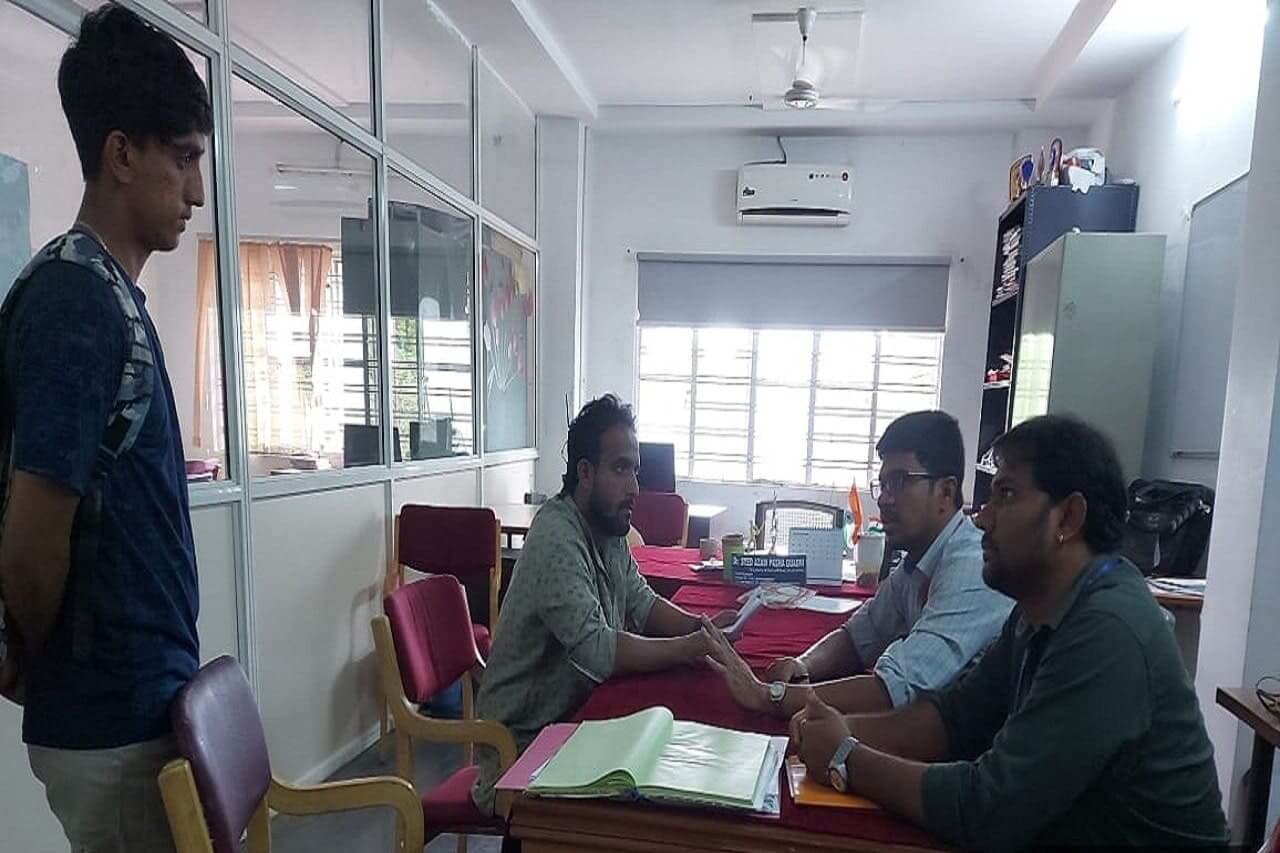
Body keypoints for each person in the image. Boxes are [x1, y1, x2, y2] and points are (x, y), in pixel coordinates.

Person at [774, 415, 1229, 851]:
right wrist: (840, 730)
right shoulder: (1041, 607)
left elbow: (987, 809)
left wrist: (846, 756)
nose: (982, 518)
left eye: (1006, 494)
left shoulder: (1108, 630)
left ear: (1068, 518)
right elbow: (951, 720)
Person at [0, 5, 210, 851]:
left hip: (136, 703)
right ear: (121, 154)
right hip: (109, 717)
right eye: (184, 159)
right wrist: (46, 659)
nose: (197, 192)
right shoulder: (76, 303)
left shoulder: (109, 295)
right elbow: (32, 539)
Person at [471, 394, 736, 815]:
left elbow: (642, 601)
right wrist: (686, 649)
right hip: (522, 749)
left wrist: (699, 627)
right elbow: (596, 648)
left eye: (635, 470)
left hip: (575, 723)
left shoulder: (607, 527)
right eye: (620, 469)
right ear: (585, 473)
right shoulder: (557, 536)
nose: (634, 487)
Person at [709, 411, 1012, 718]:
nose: (883, 499)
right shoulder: (917, 561)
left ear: (946, 491)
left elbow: (894, 689)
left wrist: (769, 696)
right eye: (882, 485)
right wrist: (803, 665)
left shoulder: (972, 567)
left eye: (899, 482)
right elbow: (858, 636)